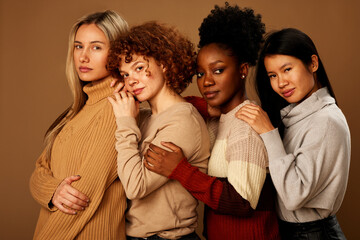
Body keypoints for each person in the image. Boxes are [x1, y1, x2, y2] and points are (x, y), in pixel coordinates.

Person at [143, 3, 280, 240]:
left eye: (217, 71)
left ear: (243, 70)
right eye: (200, 73)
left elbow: (241, 203)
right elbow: (185, 104)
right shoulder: (220, 119)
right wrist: (205, 107)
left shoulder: (246, 125)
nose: (206, 81)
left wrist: (180, 170)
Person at [236, 28, 350, 239]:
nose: (280, 83)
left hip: (313, 233)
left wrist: (269, 133)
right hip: (292, 231)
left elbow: (293, 196)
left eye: (287, 69)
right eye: (273, 75)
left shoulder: (326, 121)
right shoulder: (296, 117)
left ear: (313, 64)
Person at [29, 10, 129, 240]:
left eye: (96, 47)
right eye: (78, 46)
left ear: (118, 52)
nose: (83, 57)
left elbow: (82, 197)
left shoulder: (117, 108)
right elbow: (39, 171)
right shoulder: (77, 111)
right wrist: (53, 190)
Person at [106, 21, 210, 240]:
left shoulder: (183, 120)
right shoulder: (142, 117)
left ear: (164, 63)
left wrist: (125, 122)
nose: (131, 80)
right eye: (125, 74)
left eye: (139, 68)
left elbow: (136, 187)